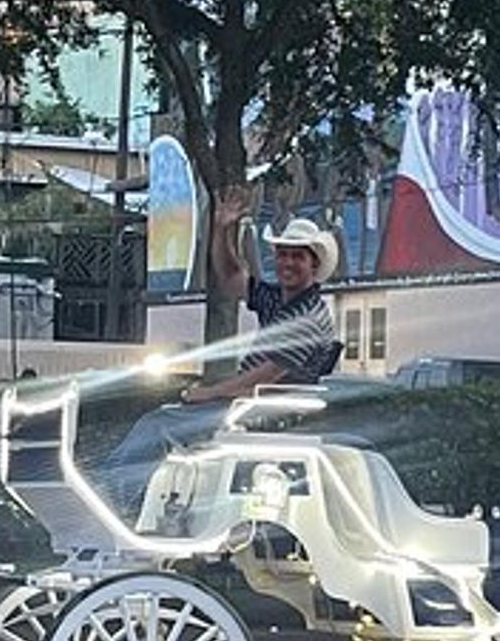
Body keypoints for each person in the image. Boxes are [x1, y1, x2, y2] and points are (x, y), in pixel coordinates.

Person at [103, 215, 341, 514]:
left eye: (298, 257)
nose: (288, 263)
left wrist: (209, 393)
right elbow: (231, 278)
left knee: (159, 425)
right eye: (283, 255)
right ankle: (141, 503)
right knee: (163, 423)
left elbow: (261, 378)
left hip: (263, 410)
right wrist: (222, 228)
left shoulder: (307, 316)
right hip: (254, 405)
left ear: (314, 265)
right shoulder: (281, 300)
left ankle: (115, 505)